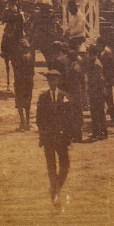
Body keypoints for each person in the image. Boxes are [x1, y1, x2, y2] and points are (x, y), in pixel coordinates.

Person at [36, 69, 74, 209]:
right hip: (48, 138)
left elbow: (69, 118)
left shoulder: (64, 97)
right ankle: (56, 192)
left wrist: (68, 135)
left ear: (58, 81)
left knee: (65, 166)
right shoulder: (43, 97)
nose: (52, 83)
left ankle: (56, 188)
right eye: (49, 80)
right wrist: (42, 135)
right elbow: (39, 119)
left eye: (54, 80)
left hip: (62, 138)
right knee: (51, 167)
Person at [85, 47, 108, 140]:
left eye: (90, 54)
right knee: (94, 113)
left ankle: (102, 132)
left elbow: (100, 80)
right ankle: (96, 132)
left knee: (99, 113)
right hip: (93, 91)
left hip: (98, 92)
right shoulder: (92, 63)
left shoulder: (96, 65)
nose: (89, 56)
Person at [13, 38, 35, 131]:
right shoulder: (31, 56)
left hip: (20, 81)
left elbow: (17, 70)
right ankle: (28, 122)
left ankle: (22, 122)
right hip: (29, 81)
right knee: (28, 101)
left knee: (19, 101)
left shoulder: (19, 57)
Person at [99, 40, 114, 125]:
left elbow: (111, 70)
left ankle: (113, 119)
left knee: (109, 101)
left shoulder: (107, 56)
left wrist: (109, 81)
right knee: (105, 101)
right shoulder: (101, 54)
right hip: (103, 81)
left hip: (107, 81)